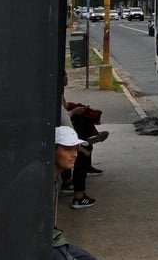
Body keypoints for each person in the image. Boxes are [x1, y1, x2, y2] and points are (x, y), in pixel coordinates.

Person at [58, 69, 107, 210]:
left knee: (84, 120)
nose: (67, 77)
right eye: (65, 75)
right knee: (83, 152)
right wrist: (79, 147)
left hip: (61, 131)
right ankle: (79, 196)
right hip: (61, 134)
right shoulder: (55, 95)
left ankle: (90, 137)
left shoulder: (57, 93)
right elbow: (65, 119)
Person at [52, 126, 98, 260]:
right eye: (67, 149)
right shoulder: (39, 179)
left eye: (75, 149)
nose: (74, 154)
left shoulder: (54, 177)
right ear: (53, 150)